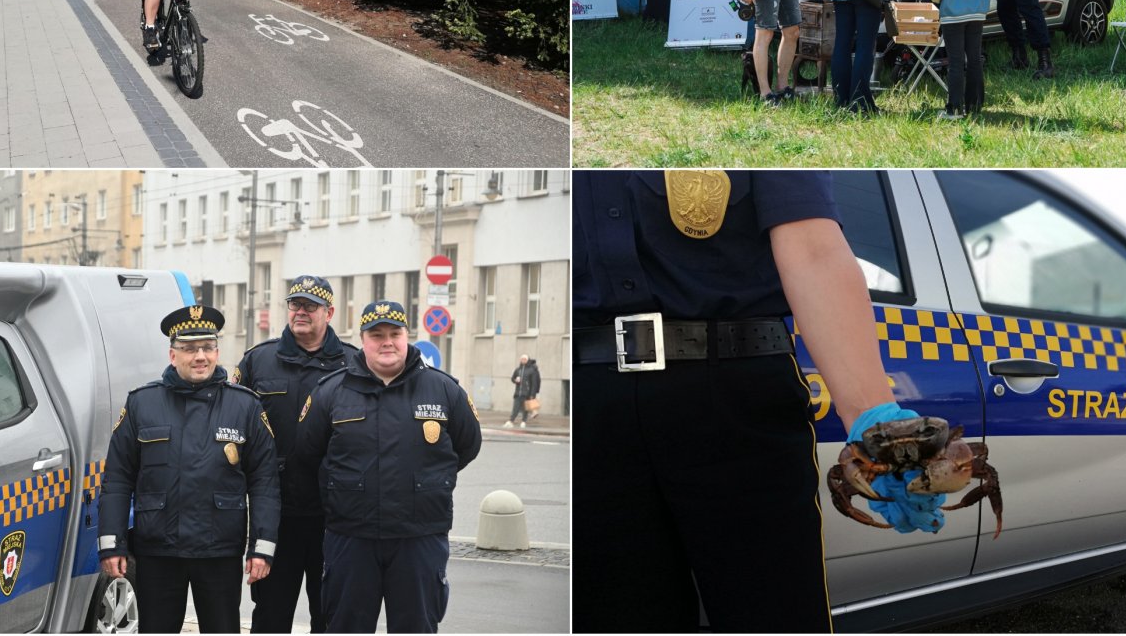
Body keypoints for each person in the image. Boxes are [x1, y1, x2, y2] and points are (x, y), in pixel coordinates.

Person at [572, 171, 947, 633]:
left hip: (734, 393)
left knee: (772, 615)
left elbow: (811, 250)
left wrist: (876, 423)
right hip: (588, 404)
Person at [292, 300, 482, 633]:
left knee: (416, 626)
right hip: (351, 537)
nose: (387, 342)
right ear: (362, 340)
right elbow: (308, 455)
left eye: (394, 333)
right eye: (376, 335)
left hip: (419, 536)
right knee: (345, 625)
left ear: (407, 337)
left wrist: (428, 481)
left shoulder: (443, 389)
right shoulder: (332, 392)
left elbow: (466, 446)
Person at [98, 305, 280, 634]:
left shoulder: (245, 406)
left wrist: (261, 548)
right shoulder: (142, 403)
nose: (200, 356)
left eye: (208, 347)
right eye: (190, 348)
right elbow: (117, 479)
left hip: (219, 550)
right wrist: (111, 543)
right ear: (172, 354)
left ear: (217, 352)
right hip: (158, 550)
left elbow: (265, 483)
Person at [234, 275, 358, 633]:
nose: (300, 312)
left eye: (310, 306)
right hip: (276, 515)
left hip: (332, 515)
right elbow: (232, 423)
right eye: (295, 305)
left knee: (331, 612)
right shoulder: (259, 361)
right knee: (271, 614)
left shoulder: (353, 364)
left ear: (329, 312)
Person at [505, 354, 541, 427]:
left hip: (527, 393)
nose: (523, 360)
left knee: (525, 409)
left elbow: (534, 383)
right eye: (522, 359)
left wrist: (532, 394)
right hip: (518, 393)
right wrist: (515, 381)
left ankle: (523, 421)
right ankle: (511, 421)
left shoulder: (531, 370)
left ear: (527, 360)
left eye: (524, 359)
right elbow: (512, 378)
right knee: (515, 407)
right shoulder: (518, 369)